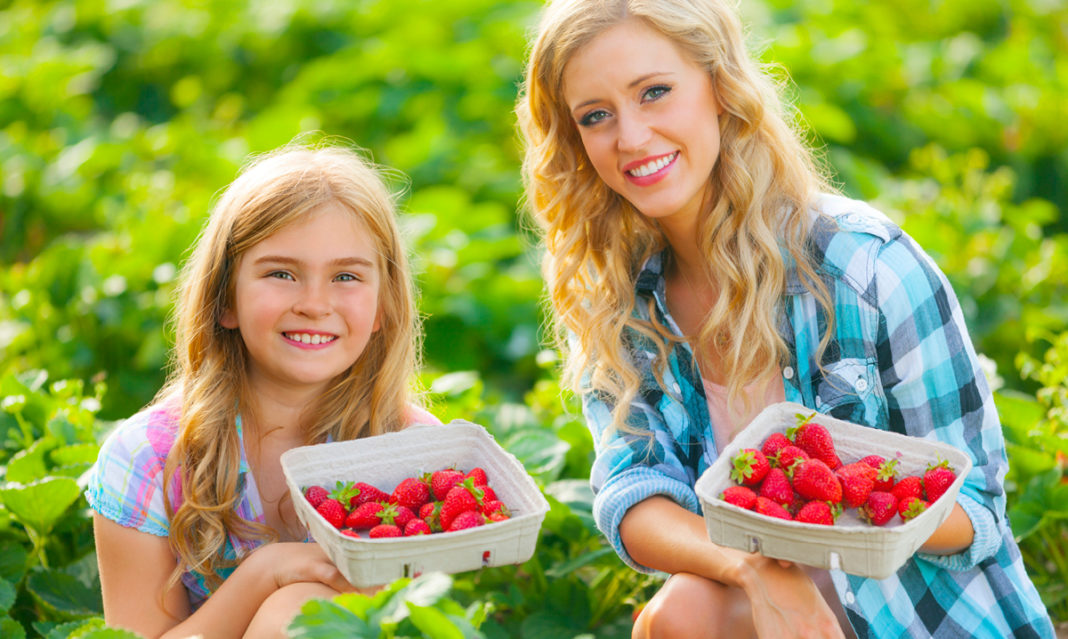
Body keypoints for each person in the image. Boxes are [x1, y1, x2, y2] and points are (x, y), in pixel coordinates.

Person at [516, 1, 1056, 637]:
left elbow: (978, 508)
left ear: (720, 86)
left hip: (915, 615)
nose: (631, 137)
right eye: (596, 115)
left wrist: (842, 502)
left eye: (654, 92)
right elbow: (633, 493)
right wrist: (758, 570)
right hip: (764, 612)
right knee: (677, 617)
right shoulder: (619, 300)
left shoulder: (865, 267)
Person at [85, 143, 440, 639]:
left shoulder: (414, 452)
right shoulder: (149, 458)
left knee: (300, 610)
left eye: (346, 276)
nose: (314, 304)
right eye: (281, 274)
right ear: (224, 300)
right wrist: (263, 574)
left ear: (383, 307)